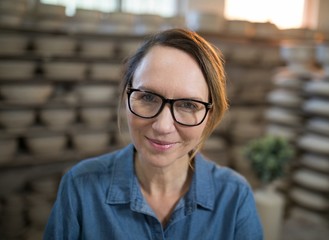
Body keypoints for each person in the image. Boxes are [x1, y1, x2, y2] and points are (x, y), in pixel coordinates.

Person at [44, 28, 263, 239]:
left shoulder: (234, 197)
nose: (162, 126)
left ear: (210, 115)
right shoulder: (81, 187)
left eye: (188, 104)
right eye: (148, 97)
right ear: (127, 95)